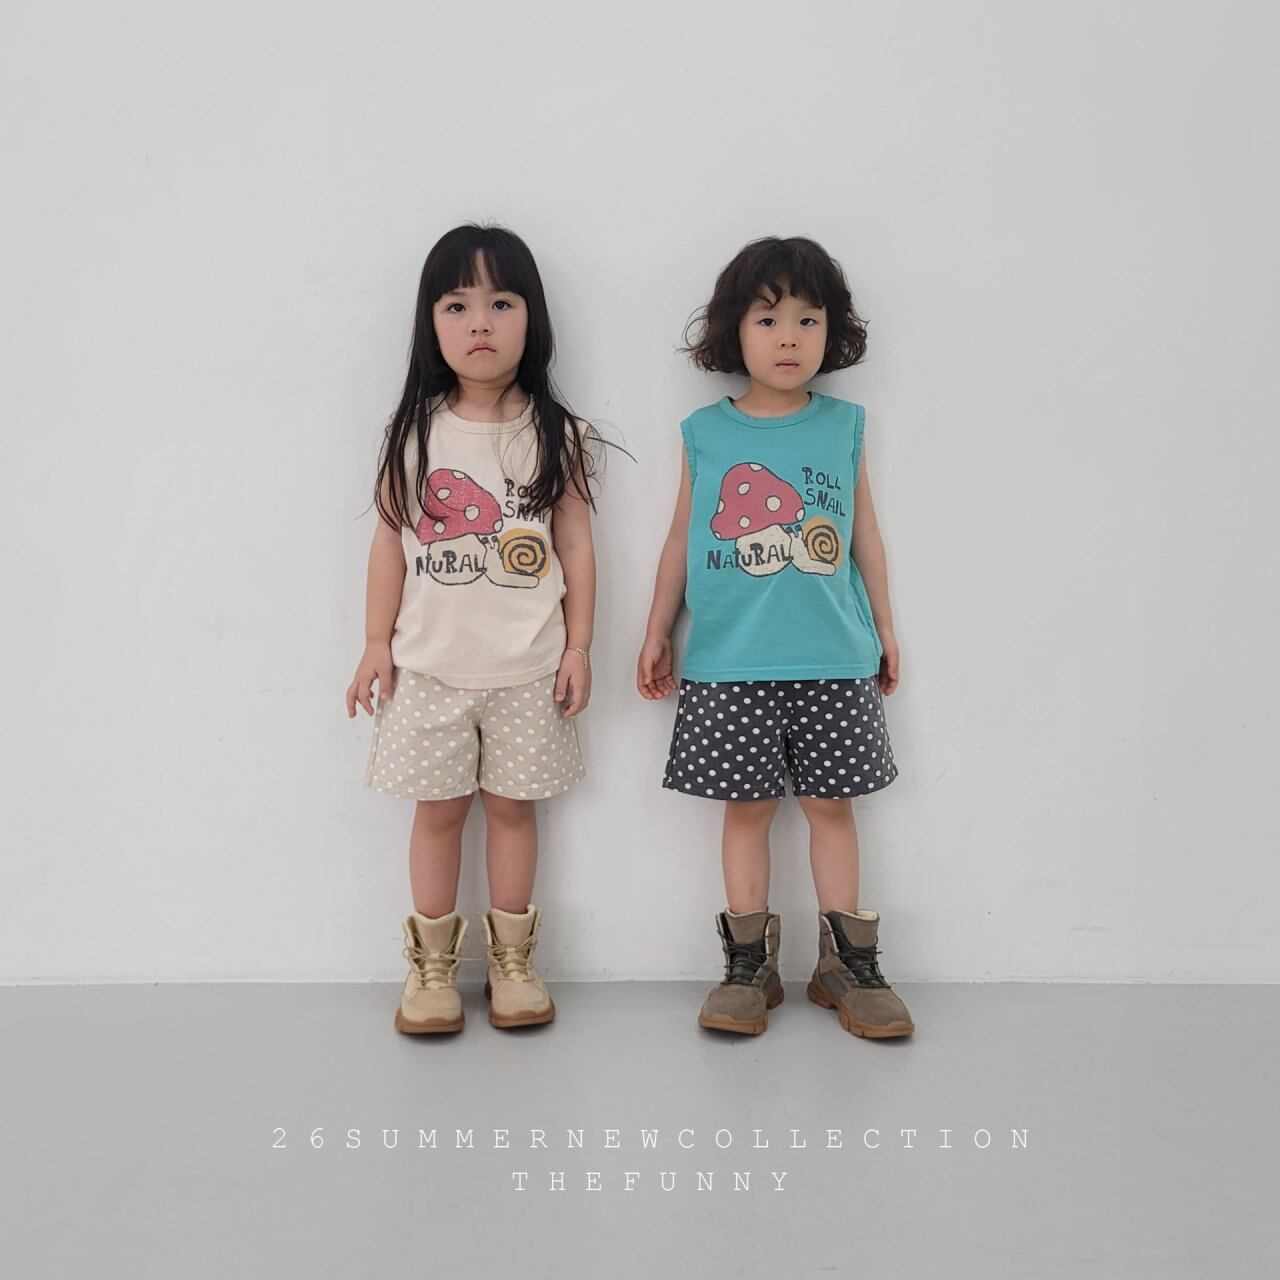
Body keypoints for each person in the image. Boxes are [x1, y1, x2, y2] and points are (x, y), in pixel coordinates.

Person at [637, 236, 914, 1040]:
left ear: (833, 331)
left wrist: (885, 627)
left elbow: (865, 536)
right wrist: (657, 629)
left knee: (831, 804)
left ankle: (847, 966)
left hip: (834, 657)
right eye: (767, 319)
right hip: (730, 661)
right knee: (748, 808)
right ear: (735, 330)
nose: (788, 336)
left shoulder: (844, 427)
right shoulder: (705, 432)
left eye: (807, 319)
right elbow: (680, 538)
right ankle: (748, 967)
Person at [348, 224, 598, 1034]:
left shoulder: (557, 434)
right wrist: (375, 643)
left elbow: (576, 546)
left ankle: (513, 963)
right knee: (439, 813)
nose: (480, 322)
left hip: (528, 668)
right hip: (428, 668)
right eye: (456, 305)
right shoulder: (413, 433)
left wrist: (580, 646)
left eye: (501, 303)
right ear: (431, 323)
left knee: (514, 811)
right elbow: (389, 542)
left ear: (532, 318)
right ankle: (430, 969)